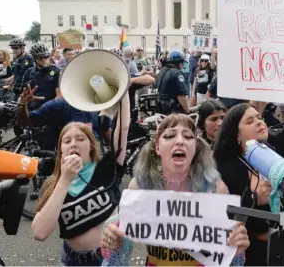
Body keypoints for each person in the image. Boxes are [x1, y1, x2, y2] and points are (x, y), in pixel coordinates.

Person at [99, 114, 250, 266]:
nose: (179, 141)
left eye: (188, 136)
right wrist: (113, 240)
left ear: (196, 147)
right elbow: (120, 244)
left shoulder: (215, 188)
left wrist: (235, 248)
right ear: (157, 147)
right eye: (170, 136)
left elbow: (228, 250)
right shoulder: (140, 186)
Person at [212, 102, 284, 266]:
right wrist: (254, 200)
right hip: (253, 255)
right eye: (249, 121)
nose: (259, 122)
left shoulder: (277, 146)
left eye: (259, 118)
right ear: (236, 134)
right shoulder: (225, 169)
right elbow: (222, 218)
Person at [31, 92, 130, 266]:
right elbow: (39, 232)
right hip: (73, 261)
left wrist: (124, 92)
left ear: (91, 145)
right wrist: (64, 180)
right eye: (67, 141)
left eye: (80, 139)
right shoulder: (53, 184)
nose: (73, 144)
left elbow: (122, 129)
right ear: (60, 150)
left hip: (110, 258)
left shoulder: (105, 169)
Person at [21, 43, 61, 111]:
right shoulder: (29, 72)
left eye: (46, 56)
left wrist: (50, 108)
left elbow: (59, 95)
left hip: (51, 109)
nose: (44, 59)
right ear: (34, 58)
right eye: (40, 57)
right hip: (32, 109)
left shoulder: (56, 71)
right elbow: (23, 94)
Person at [154, 50, 189, 114]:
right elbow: (181, 97)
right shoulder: (178, 74)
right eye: (182, 62)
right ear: (179, 62)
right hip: (172, 110)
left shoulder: (162, 71)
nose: (183, 65)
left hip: (160, 108)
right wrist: (187, 111)